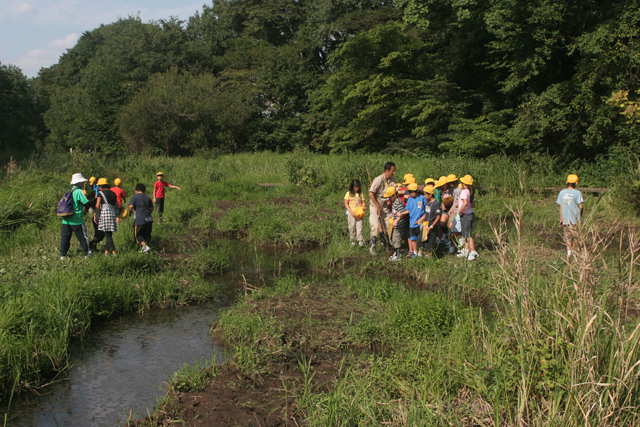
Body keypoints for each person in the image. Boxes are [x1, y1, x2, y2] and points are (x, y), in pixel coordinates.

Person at [60, 173, 93, 259]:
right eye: (82, 181)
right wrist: (86, 211)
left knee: (65, 238)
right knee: (82, 237)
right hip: (76, 219)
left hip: (66, 219)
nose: (83, 183)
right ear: (79, 182)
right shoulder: (79, 191)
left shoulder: (70, 191)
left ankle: (63, 255)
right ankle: (87, 254)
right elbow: (87, 203)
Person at [368, 162, 397, 256]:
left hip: (384, 205)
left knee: (389, 224)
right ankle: (372, 246)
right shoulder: (378, 179)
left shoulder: (391, 180)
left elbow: (396, 189)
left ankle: (387, 245)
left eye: (394, 171)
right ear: (386, 171)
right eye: (392, 171)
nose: (393, 173)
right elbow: (371, 193)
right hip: (375, 204)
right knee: (376, 226)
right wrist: (377, 205)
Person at [557, 174, 584, 257]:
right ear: (576, 183)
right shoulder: (577, 193)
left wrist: (561, 218)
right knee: (576, 237)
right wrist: (580, 214)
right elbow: (581, 206)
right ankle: (575, 254)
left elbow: (561, 206)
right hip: (575, 220)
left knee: (568, 238)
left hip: (566, 220)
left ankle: (569, 254)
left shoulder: (562, 192)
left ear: (567, 182)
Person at [94, 178, 118, 255]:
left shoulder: (100, 193)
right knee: (109, 233)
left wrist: (95, 215)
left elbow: (97, 205)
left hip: (105, 214)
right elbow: (117, 205)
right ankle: (106, 252)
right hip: (112, 213)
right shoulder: (113, 193)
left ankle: (114, 251)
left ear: (100, 186)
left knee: (107, 234)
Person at [457, 175, 478, 260]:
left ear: (465, 184)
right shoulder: (471, 192)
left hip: (465, 215)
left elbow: (465, 203)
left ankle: (473, 251)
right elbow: (473, 205)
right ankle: (466, 250)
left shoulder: (464, 192)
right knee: (465, 233)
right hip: (469, 214)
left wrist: (460, 211)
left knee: (468, 235)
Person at [129, 183, 154, 253]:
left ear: (136, 191)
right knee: (147, 235)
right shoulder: (148, 198)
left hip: (140, 219)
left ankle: (145, 247)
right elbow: (151, 208)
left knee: (138, 235)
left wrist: (130, 212)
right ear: (144, 191)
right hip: (149, 219)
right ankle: (145, 250)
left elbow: (131, 206)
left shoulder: (134, 197)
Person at [386, 186, 409, 261]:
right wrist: (392, 213)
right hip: (396, 223)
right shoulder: (394, 202)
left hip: (399, 224)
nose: (390, 198)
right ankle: (396, 253)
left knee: (397, 239)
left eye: (390, 197)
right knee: (394, 237)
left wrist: (397, 220)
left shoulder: (398, 202)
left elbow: (402, 213)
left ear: (394, 195)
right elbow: (395, 210)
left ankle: (398, 255)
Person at [405, 182, 426, 258]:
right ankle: (415, 252)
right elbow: (407, 210)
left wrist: (421, 219)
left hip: (420, 222)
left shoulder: (422, 198)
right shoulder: (410, 200)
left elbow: (426, 210)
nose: (411, 194)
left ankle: (420, 252)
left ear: (416, 191)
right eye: (409, 192)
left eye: (412, 192)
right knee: (413, 238)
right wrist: (400, 214)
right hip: (412, 222)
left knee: (420, 238)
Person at [344, 179, 366, 246]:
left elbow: (363, 202)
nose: (356, 188)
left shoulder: (360, 194)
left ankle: (360, 239)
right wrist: (350, 211)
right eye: (355, 187)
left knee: (360, 226)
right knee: (352, 226)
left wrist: (364, 207)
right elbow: (346, 203)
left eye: (358, 187)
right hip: (351, 213)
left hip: (359, 213)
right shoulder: (348, 193)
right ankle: (352, 240)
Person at [421, 184, 442, 257]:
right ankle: (425, 256)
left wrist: (431, 226)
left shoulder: (435, 204)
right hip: (426, 225)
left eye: (425, 194)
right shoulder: (427, 202)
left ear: (430, 194)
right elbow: (426, 214)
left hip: (432, 227)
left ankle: (430, 258)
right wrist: (420, 220)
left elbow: (438, 217)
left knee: (431, 243)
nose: (424, 196)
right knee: (425, 242)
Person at [447, 175, 462, 254]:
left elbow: (459, 201)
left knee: (454, 228)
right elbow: (455, 201)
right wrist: (451, 209)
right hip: (454, 209)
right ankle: (453, 243)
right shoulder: (454, 190)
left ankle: (457, 242)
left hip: (458, 210)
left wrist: (455, 207)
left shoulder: (460, 189)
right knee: (451, 227)